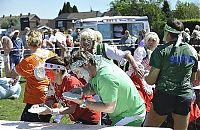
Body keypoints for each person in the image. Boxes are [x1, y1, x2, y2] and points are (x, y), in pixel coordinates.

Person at [143, 18, 198, 130]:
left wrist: (145, 76)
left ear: (167, 33)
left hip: (164, 96)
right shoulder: (192, 51)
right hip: (183, 97)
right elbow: (193, 79)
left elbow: (151, 80)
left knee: (148, 128)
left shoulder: (161, 51)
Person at [65, 52, 146, 126]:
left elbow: (109, 108)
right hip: (126, 112)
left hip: (131, 115)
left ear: (86, 65)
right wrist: (81, 91)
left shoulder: (105, 77)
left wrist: (83, 102)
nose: (78, 76)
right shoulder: (97, 65)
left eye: (78, 71)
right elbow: (93, 86)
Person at [7, 29, 56, 122]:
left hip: (35, 98)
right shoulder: (51, 55)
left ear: (28, 43)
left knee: (26, 124)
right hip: (51, 96)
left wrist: (6, 55)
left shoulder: (28, 61)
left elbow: (10, 74)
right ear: (41, 41)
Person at [37, 56, 101, 125]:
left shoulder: (71, 83)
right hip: (78, 117)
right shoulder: (53, 83)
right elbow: (50, 100)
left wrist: (53, 111)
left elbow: (71, 109)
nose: (46, 74)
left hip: (90, 116)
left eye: (47, 71)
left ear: (58, 71)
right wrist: (41, 107)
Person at [127, 32, 160, 112]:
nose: (151, 42)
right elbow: (137, 64)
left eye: (153, 40)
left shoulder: (155, 52)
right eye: (149, 40)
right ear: (146, 40)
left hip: (148, 78)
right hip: (137, 77)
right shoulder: (140, 50)